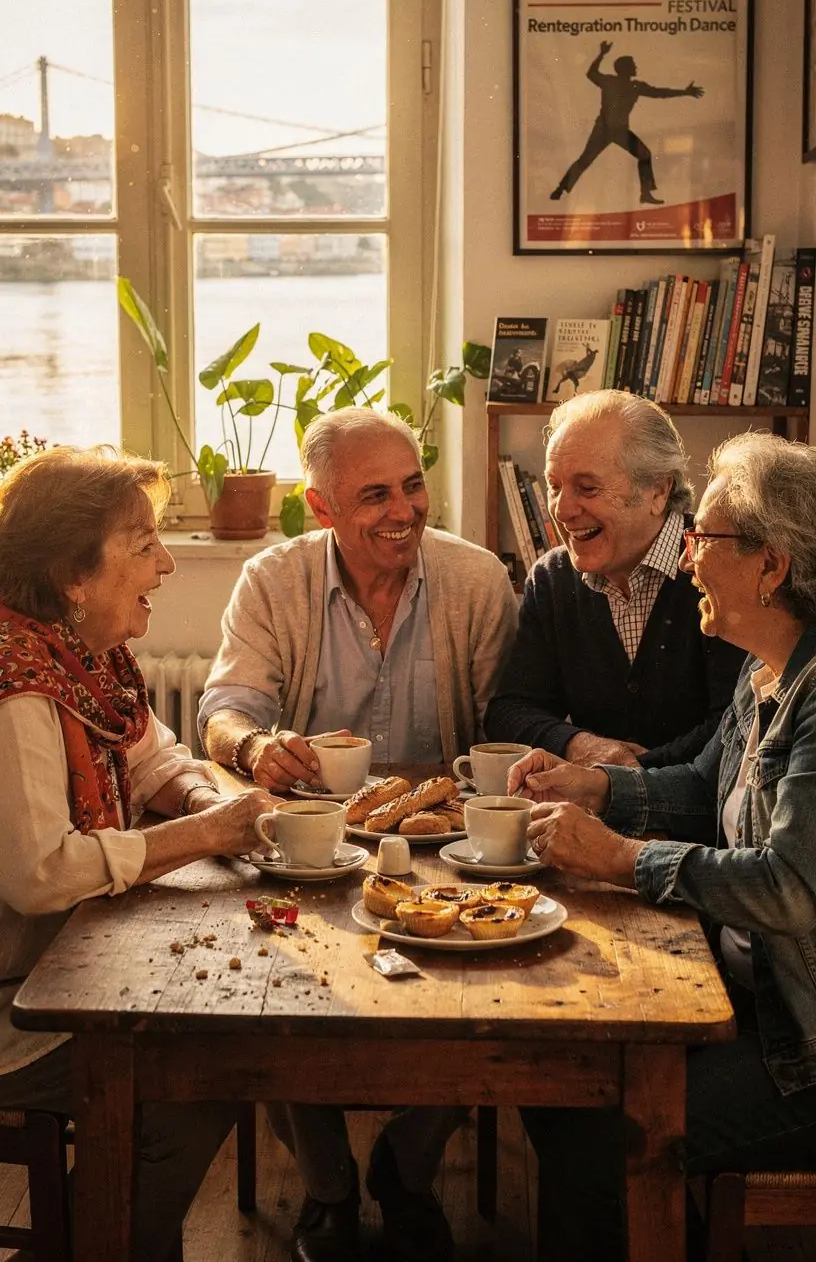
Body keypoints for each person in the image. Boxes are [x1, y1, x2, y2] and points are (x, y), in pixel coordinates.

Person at [199, 407, 519, 1262]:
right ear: (322, 507)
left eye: (412, 486)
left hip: (447, 850)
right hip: (313, 843)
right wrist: (256, 747)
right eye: (374, 495)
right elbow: (225, 708)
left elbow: (509, 721)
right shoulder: (273, 579)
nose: (403, 511)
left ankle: (406, 1171)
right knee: (271, 993)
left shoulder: (477, 579)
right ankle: (327, 1185)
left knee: (486, 989)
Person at [507, 432, 816, 1260]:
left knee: (591, 1141)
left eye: (705, 538)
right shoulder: (767, 670)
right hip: (756, 1000)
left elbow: (790, 887)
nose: (686, 558)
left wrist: (620, 858)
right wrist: (594, 787)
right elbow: (701, 789)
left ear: (772, 564)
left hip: (801, 1050)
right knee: (555, 1079)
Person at [0, 445, 276, 1262]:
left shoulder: (85, 658)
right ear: (71, 576)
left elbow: (154, 758)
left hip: (65, 966)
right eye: (144, 544)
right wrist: (204, 836)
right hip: (15, 1002)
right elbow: (42, 874)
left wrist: (201, 800)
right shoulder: (17, 686)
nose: (166, 563)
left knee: (228, 1030)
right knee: (201, 1081)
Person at [485, 390, 744, 768]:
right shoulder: (553, 579)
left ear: (658, 490)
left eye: (587, 488)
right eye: (554, 486)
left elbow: (736, 723)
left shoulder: (719, 565)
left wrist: (626, 778)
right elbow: (510, 711)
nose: (561, 510)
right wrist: (579, 745)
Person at [550, 41, 704, 206]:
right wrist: (601, 54)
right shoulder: (618, 83)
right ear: (625, 69)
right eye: (632, 65)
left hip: (618, 131)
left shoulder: (630, 85)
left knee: (642, 154)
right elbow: (591, 73)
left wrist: (685, 92)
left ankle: (645, 193)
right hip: (605, 129)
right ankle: (561, 189)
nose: (636, 67)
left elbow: (659, 92)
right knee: (586, 160)